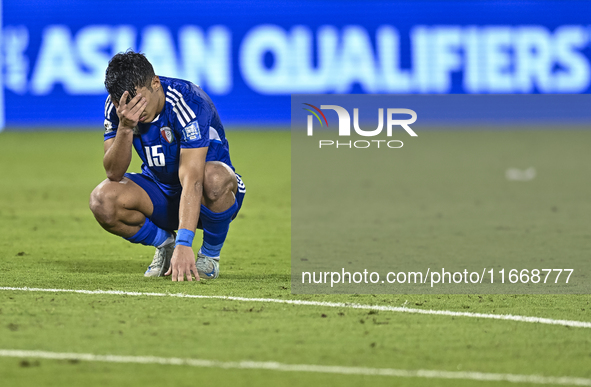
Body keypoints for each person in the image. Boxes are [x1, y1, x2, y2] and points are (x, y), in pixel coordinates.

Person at [89, 50, 245, 282]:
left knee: (213, 179)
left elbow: (193, 180)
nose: (135, 111)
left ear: (155, 83)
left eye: (140, 101)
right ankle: (165, 244)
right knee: (102, 199)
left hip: (208, 196)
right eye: (124, 104)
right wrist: (124, 127)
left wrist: (186, 242)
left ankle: (209, 256)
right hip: (160, 192)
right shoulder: (118, 108)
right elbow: (113, 172)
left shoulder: (189, 102)